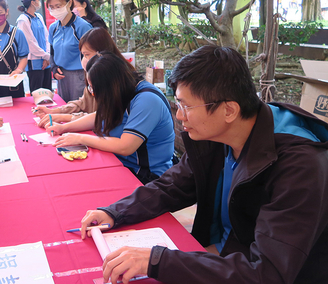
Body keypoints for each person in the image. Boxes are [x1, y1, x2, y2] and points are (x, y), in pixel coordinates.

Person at [79, 45, 328, 284]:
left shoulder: (300, 167)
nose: (178, 115)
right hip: (228, 251)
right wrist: (116, 212)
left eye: (186, 106)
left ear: (229, 110)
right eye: (178, 104)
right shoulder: (219, 133)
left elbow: (266, 272)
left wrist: (158, 261)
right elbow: (174, 184)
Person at [47, 51, 174, 183]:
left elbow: (125, 146)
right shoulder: (123, 91)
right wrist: (64, 128)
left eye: (93, 88)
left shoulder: (147, 100)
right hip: (120, 163)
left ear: (110, 86)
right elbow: (99, 116)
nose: (93, 93)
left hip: (146, 177)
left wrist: (80, 138)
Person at [34, 27, 125, 126]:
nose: (84, 60)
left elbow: (102, 117)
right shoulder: (93, 73)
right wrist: (55, 111)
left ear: (102, 53)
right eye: (82, 55)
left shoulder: (115, 80)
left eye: (87, 55)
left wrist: (63, 118)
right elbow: (83, 102)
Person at [47, 0, 93, 102]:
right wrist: (54, 67)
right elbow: (52, 51)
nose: (55, 10)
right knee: (63, 108)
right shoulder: (53, 28)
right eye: (51, 7)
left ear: (69, 3)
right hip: (61, 75)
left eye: (58, 6)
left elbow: (93, 54)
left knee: (78, 110)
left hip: (79, 75)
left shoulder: (82, 26)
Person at [16, 0, 51, 92]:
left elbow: (46, 37)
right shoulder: (23, 20)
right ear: (32, 2)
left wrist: (47, 56)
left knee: (48, 92)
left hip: (46, 60)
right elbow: (30, 44)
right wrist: (46, 56)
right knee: (37, 93)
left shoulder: (39, 16)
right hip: (34, 62)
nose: (39, 2)